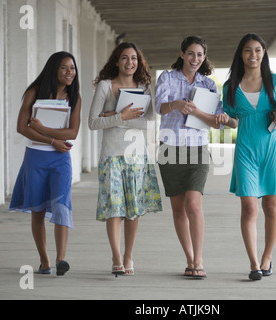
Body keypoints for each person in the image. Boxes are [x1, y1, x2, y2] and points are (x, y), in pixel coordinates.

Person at [218, 33, 276, 281]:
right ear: (241, 54)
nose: (253, 55)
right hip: (245, 149)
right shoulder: (231, 86)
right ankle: (254, 263)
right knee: (248, 207)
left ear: (263, 53)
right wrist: (226, 120)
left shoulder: (275, 82)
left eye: (257, 50)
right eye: (248, 50)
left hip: (271, 150)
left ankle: (267, 257)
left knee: (271, 206)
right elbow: (233, 120)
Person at [89, 42, 162, 276]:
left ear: (138, 62)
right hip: (111, 155)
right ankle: (116, 256)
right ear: (116, 61)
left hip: (137, 156)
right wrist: (122, 115)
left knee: (134, 209)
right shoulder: (104, 86)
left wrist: (115, 117)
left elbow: (147, 122)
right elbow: (92, 123)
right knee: (115, 208)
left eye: (134, 58)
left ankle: (129, 255)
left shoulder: (143, 88)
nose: (129, 62)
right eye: (124, 58)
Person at [155, 36, 225, 279]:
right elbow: (159, 108)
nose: (195, 59)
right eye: (191, 53)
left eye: (200, 55)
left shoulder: (210, 85)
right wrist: (175, 104)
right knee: (177, 209)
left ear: (204, 57)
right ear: (182, 54)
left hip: (197, 148)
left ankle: (199, 258)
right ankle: (189, 259)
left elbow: (217, 123)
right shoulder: (167, 77)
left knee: (193, 204)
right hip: (169, 147)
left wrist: (197, 111)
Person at [10, 51, 82, 276]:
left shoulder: (75, 97)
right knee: (38, 210)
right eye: (64, 68)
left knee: (62, 206)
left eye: (72, 68)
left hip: (61, 158)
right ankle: (44, 260)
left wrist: (41, 129)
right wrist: (52, 139)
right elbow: (22, 127)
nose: (70, 72)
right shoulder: (35, 91)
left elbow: (73, 132)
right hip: (36, 158)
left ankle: (61, 258)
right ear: (54, 69)